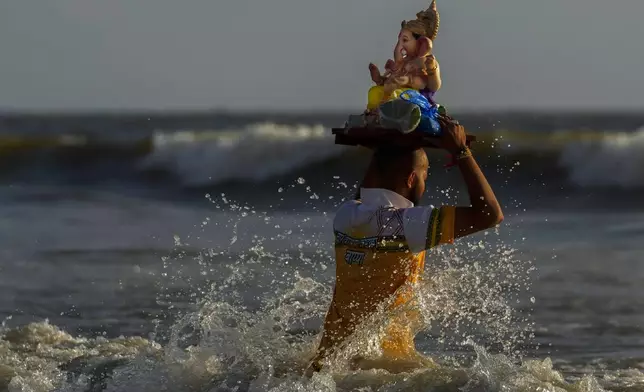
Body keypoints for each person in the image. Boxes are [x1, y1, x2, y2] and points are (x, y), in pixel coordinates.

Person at [306, 115, 504, 374]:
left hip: (328, 366)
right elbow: (491, 214)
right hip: (380, 371)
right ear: (412, 179)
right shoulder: (409, 225)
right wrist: (461, 151)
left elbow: (367, 193)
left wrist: (384, 147)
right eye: (424, 177)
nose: (425, 184)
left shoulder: (345, 216)